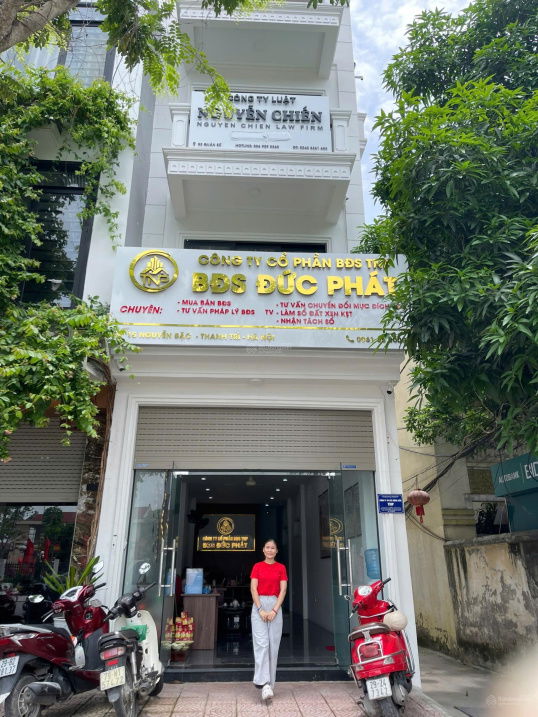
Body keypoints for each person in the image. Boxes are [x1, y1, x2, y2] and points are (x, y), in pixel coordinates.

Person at [250, 538, 288, 701]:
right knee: (262, 644)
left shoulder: (281, 568)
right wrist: (260, 609)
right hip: (258, 605)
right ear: (263, 550)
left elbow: (283, 590)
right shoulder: (257, 566)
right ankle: (264, 684)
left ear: (276, 551)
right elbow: (253, 588)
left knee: (273, 645)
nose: (270, 550)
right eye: (267, 547)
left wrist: (274, 610)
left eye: (273, 548)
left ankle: (270, 685)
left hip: (275, 604)